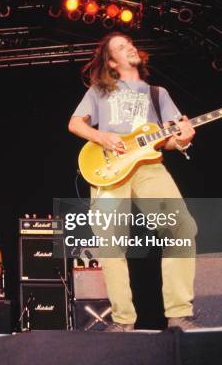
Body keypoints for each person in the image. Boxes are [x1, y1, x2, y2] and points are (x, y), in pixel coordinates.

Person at [68, 32, 199, 332]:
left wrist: (183, 139)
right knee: (111, 243)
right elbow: (75, 123)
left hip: (149, 167)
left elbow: (169, 139)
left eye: (130, 44)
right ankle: (123, 320)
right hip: (109, 168)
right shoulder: (99, 91)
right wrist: (102, 136)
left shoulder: (157, 93)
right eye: (120, 47)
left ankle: (179, 314)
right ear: (111, 62)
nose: (129, 47)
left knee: (182, 228)